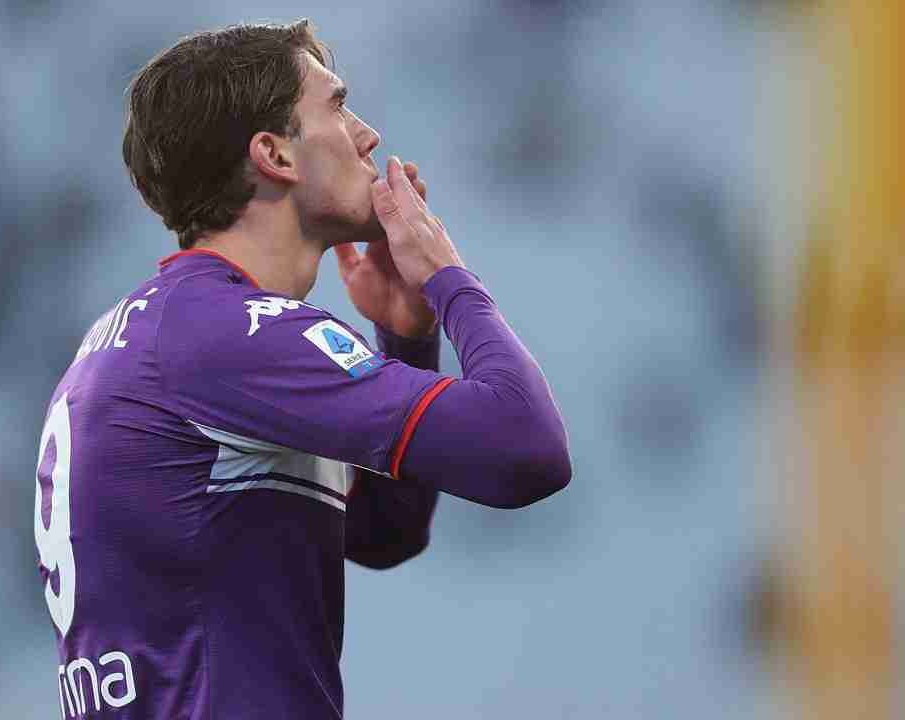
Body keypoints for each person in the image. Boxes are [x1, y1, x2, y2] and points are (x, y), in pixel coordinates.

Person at [34, 19, 571, 719]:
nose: (366, 134)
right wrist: (448, 279)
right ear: (274, 155)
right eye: (338, 107)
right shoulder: (229, 335)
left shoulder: (153, 333)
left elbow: (383, 532)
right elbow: (526, 449)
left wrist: (406, 336)